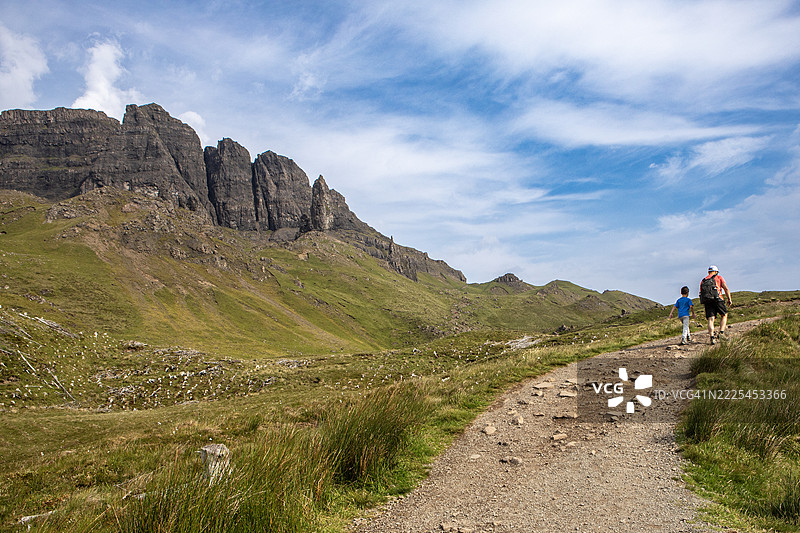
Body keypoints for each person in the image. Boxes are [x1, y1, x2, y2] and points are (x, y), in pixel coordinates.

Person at [701, 265, 732, 345]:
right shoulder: (719, 277)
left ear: (708, 272)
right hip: (718, 299)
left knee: (711, 319)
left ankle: (712, 337)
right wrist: (729, 299)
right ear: (716, 271)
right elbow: (726, 288)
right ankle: (721, 333)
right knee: (724, 315)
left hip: (707, 301)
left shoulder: (703, 280)